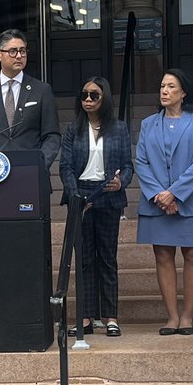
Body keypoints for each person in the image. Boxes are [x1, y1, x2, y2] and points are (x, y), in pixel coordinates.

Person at [135, 69, 193, 335]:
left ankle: (187, 317)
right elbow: (142, 162)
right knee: (163, 256)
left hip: (192, 200)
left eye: (171, 86)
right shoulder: (148, 124)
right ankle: (171, 317)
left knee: (192, 255)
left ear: (184, 93)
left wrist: (176, 193)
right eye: (162, 86)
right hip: (156, 201)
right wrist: (160, 194)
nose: (164, 91)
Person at [58, 76, 133, 337]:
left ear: (105, 98)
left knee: (108, 258)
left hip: (108, 196)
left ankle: (111, 317)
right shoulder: (72, 129)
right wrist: (76, 196)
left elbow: (128, 166)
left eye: (94, 95)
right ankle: (86, 317)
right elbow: (65, 167)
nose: (88, 100)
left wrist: (120, 181)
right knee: (85, 260)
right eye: (84, 95)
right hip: (81, 196)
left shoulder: (119, 128)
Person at [0, 28, 60, 169]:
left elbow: (52, 136)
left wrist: (40, 163)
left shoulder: (42, 90)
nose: (19, 56)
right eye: (13, 51)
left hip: (31, 173)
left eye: (23, 51)